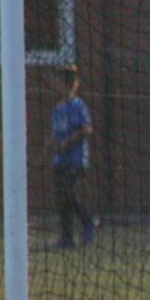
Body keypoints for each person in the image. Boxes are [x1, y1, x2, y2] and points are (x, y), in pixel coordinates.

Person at [49, 65, 98, 248]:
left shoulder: (77, 104)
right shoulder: (57, 108)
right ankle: (66, 237)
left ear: (67, 84)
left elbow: (86, 128)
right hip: (59, 159)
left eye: (58, 81)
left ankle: (88, 223)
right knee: (61, 197)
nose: (55, 84)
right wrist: (53, 144)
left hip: (75, 159)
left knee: (68, 194)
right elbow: (55, 133)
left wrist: (66, 142)